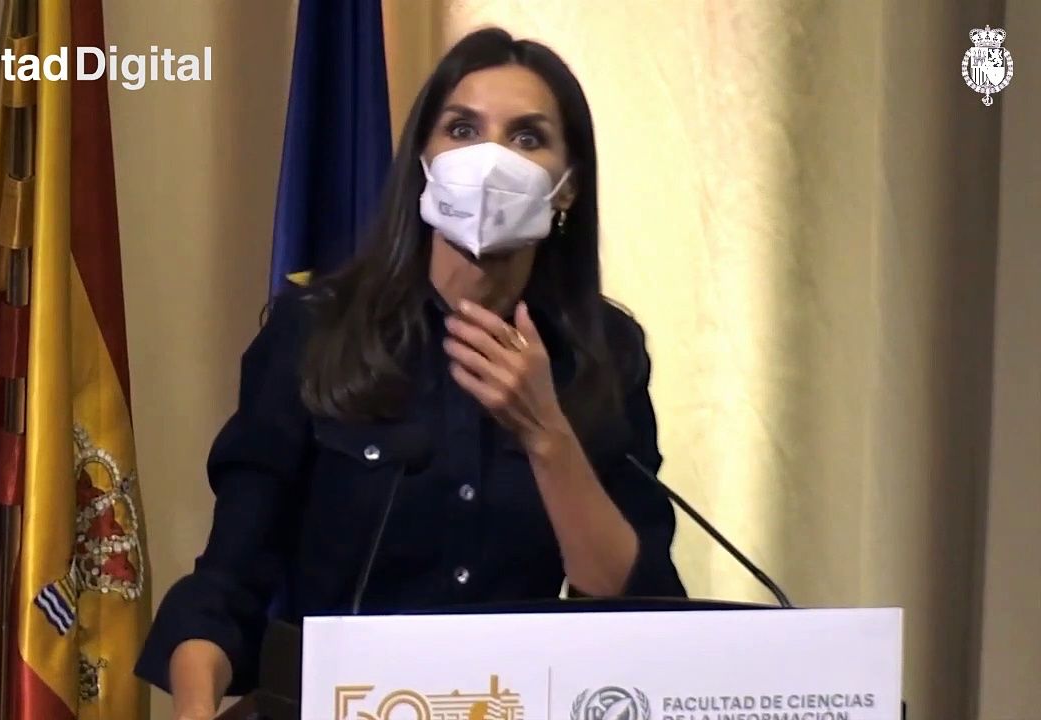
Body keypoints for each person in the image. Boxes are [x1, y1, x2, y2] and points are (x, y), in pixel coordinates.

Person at [136, 26, 687, 720]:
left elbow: (636, 608)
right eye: (463, 129)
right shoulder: (318, 332)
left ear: (567, 186)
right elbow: (229, 582)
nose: (490, 159)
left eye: (526, 138)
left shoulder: (604, 353)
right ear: (424, 160)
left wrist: (546, 433)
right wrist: (194, 706)